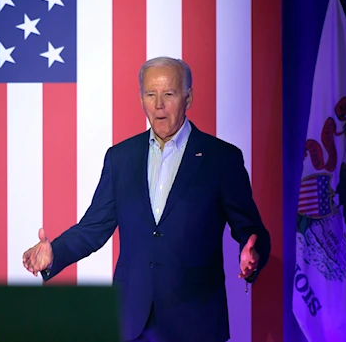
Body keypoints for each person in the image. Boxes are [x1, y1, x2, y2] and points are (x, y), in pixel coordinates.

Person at [22, 57, 271, 342]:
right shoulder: (121, 158)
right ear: (141, 99)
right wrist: (55, 252)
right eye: (150, 94)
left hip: (195, 322)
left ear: (188, 98)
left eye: (169, 94)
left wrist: (252, 254)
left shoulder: (222, 159)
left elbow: (251, 230)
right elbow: (94, 227)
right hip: (132, 321)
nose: (159, 105)